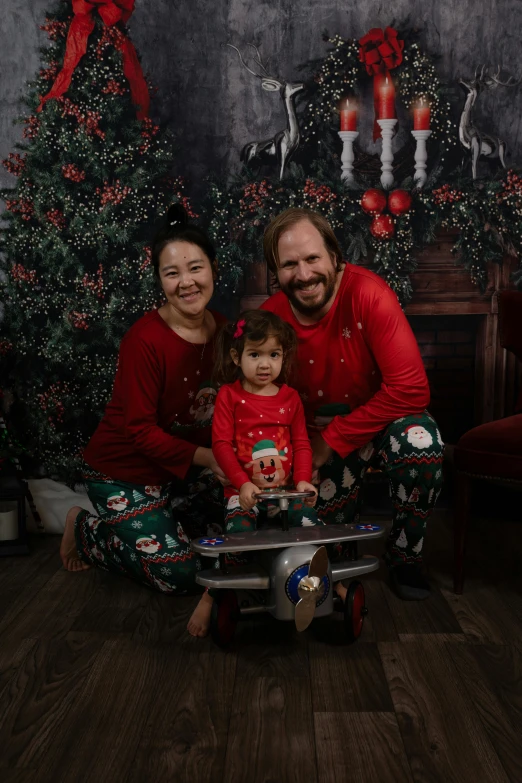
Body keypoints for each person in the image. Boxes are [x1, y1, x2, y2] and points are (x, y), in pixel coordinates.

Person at [261, 207, 445, 600]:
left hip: (377, 423)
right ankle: (340, 554)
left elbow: (412, 389)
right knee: (325, 557)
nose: (304, 274)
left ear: (334, 256)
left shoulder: (368, 294)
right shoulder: (269, 320)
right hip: (312, 442)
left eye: (312, 258)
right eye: (289, 264)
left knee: (421, 440)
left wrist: (336, 437)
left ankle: (405, 556)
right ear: (275, 272)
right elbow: (259, 405)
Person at [59, 204, 227, 636]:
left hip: (180, 472)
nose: (186, 282)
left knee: (233, 535)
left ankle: (166, 517)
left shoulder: (227, 331)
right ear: (160, 281)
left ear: (213, 269)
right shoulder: (145, 340)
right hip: (123, 472)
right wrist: (209, 457)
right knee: (184, 575)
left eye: (195, 268)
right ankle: (88, 533)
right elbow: (138, 431)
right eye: (172, 273)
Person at [212, 309, 319, 538]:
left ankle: (311, 571)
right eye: (254, 355)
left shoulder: (290, 398)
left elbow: (301, 444)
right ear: (235, 357)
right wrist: (242, 484)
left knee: (312, 528)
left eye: (273, 355)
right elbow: (221, 445)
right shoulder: (229, 395)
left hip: (287, 493)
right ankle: (245, 572)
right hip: (243, 492)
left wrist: (302, 481)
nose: (264, 364)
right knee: (239, 536)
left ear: (283, 356)